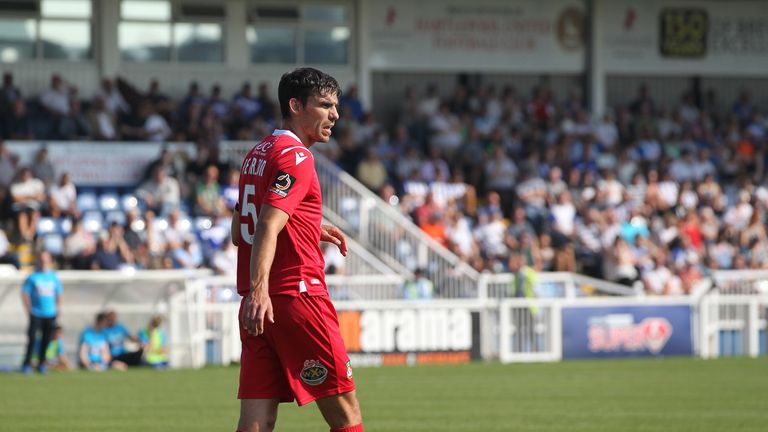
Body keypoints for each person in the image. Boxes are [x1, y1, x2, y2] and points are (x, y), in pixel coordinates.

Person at [231, 68, 363, 432]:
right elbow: (267, 225)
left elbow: (238, 230)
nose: (334, 114)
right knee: (346, 415)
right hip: (298, 298)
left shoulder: (256, 154)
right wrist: (261, 289)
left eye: (335, 106)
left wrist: (308, 228)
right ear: (295, 105)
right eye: (324, 105)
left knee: (256, 421)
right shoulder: (298, 157)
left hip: (257, 309)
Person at [21, 251, 63, 374]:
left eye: (46, 259)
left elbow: (59, 293)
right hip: (36, 313)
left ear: (49, 260)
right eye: (41, 259)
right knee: (32, 338)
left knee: (47, 339)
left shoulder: (53, 277)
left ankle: (41, 363)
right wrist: (29, 309)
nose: (43, 262)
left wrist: (57, 308)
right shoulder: (33, 277)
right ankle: (27, 363)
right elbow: (25, 293)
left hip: (50, 313)